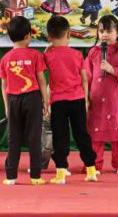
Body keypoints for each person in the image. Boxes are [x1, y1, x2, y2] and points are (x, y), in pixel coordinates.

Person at [44, 15, 99, 184]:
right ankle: (91, 170)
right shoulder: (77, 54)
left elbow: (42, 70)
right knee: (82, 134)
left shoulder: (48, 55)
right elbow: (84, 79)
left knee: (60, 136)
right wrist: (86, 99)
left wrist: (47, 49)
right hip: (77, 99)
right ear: (69, 33)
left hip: (58, 102)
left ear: (49, 37)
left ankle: (61, 173)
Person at [0, 16, 50, 185]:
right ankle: (35, 176)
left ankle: (11, 176)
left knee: (14, 138)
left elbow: (4, 85)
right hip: (33, 98)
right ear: (28, 35)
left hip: (13, 100)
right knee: (34, 138)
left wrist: (6, 106)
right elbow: (42, 81)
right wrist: (46, 102)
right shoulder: (35, 55)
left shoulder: (5, 58)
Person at [85, 15, 118, 174]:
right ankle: (93, 165)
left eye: (108, 31)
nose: (104, 35)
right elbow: (86, 76)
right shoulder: (93, 52)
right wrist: (85, 97)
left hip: (116, 100)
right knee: (95, 131)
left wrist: (112, 69)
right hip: (96, 98)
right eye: (101, 31)